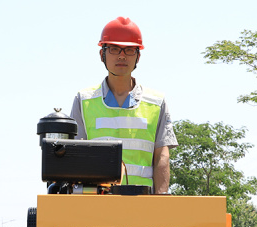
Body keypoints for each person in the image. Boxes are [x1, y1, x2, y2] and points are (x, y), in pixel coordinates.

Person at [70, 17, 178, 194]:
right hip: (97, 207)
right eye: (114, 49)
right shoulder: (83, 100)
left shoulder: (156, 102)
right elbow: (75, 157)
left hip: (144, 208)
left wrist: (161, 204)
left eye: (129, 50)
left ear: (138, 56)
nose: (121, 55)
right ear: (102, 54)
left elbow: (162, 157)